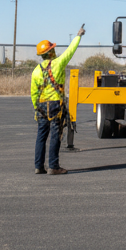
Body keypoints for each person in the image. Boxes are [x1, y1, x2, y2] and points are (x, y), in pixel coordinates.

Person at [30, 25, 84, 174]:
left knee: (41, 136)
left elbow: (33, 93)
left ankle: (39, 166)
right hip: (55, 105)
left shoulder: (36, 71)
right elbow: (70, 51)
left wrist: (36, 109)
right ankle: (53, 166)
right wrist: (78, 35)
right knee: (55, 135)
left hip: (41, 106)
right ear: (51, 51)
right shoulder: (58, 63)